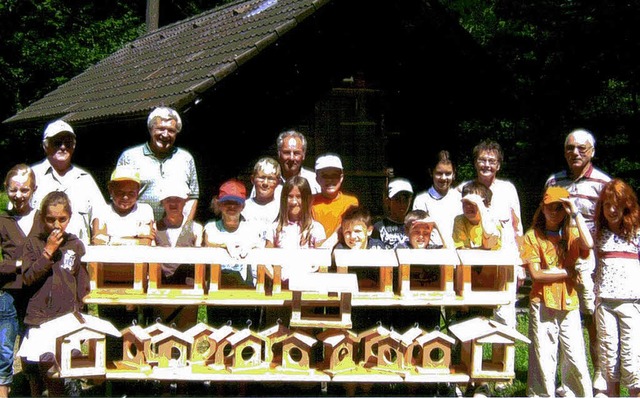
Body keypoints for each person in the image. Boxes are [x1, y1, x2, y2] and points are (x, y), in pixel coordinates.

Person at [545, 128, 611, 393]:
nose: (575, 152)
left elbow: (610, 227)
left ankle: (601, 382)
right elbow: (546, 219)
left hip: (592, 264)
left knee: (596, 325)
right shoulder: (554, 181)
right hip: (560, 264)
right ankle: (568, 384)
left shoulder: (603, 184)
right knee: (563, 324)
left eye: (581, 148)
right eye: (570, 148)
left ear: (592, 152)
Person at [522, 186, 593, 398]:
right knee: (543, 354)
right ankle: (541, 394)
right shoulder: (532, 236)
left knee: (575, 355)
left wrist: (576, 213)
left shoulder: (571, 234)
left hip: (569, 300)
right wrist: (567, 271)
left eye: (559, 208)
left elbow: (588, 244)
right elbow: (536, 275)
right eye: (550, 207)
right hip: (542, 301)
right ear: (542, 208)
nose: (554, 212)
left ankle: (575, 394)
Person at [18, 191, 89, 397]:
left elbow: (81, 280)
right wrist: (47, 252)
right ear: (42, 218)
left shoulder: (75, 245)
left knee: (66, 365)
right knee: (47, 368)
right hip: (40, 317)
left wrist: (80, 310)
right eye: (50, 219)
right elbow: (28, 277)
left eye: (62, 219)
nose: (56, 225)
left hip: (66, 316)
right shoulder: (33, 244)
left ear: (70, 217)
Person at [90, 166, 155, 329]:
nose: (125, 197)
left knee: (134, 330)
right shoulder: (101, 210)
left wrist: (112, 239)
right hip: (106, 282)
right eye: (120, 192)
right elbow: (98, 241)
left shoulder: (145, 210)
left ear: (138, 191)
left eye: (131, 193)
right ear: (110, 190)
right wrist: (134, 239)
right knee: (109, 329)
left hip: (137, 281)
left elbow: (146, 242)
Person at [592, 179, 640, 397]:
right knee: (609, 360)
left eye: (616, 204)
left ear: (626, 205)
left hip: (632, 304)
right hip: (605, 304)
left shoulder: (636, 233)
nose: (611, 210)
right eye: (606, 205)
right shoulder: (598, 234)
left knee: (632, 360)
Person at [117, 107, 200, 222]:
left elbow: (193, 196)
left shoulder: (186, 158)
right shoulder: (129, 157)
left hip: (175, 230)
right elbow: (118, 196)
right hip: (140, 229)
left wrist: (185, 228)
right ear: (151, 129)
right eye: (160, 129)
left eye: (171, 130)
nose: (165, 135)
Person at [31, 119, 106, 245]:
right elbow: (18, 219)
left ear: (74, 147)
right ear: (45, 146)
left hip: (79, 258)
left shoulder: (85, 179)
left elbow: (101, 217)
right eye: (57, 143)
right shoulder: (31, 177)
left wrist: (98, 246)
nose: (63, 147)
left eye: (68, 143)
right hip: (41, 258)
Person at [0, 164, 39, 397]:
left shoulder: (42, 218)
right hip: (8, 295)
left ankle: (34, 392)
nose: (19, 195)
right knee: (4, 351)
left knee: (33, 350)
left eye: (24, 190)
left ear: (34, 189)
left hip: (36, 295)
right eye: (13, 190)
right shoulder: (3, 220)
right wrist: (15, 265)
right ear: (6, 189)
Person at [203, 179, 263, 326]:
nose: (231, 206)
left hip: (245, 291)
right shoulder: (211, 227)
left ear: (242, 205)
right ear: (219, 204)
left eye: (236, 202)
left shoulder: (252, 228)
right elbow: (208, 241)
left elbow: (258, 246)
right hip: (218, 292)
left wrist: (249, 246)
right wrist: (225, 245)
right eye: (226, 202)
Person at [153, 179, 204, 330]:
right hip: (161, 291)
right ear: (162, 202)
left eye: (178, 200)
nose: (173, 204)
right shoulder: (154, 228)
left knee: (186, 336)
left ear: (185, 202)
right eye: (169, 200)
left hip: (188, 292)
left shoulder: (196, 229)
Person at [250, 130, 321, 199]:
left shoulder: (315, 181)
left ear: (303, 155)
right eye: (287, 152)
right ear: (279, 154)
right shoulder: (265, 184)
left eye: (296, 153)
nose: (291, 158)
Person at [412, 150, 462, 249]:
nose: (443, 178)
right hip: (431, 253)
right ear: (431, 172)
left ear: (454, 173)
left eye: (448, 174)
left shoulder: (460, 199)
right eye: (439, 173)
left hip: (457, 253)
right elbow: (417, 232)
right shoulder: (422, 200)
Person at [311, 153, 359, 247]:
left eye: (335, 175)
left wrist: (326, 246)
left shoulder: (351, 202)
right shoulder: (310, 201)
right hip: (315, 251)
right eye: (325, 176)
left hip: (341, 250)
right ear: (317, 178)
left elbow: (346, 228)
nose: (330, 180)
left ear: (341, 178)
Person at [242, 157, 282, 239]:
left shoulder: (282, 209)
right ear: (252, 179)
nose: (265, 183)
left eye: (271, 179)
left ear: (278, 182)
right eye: (261, 178)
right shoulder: (242, 207)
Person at [372, 178, 414, 249]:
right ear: (388, 201)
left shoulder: (415, 226)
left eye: (405, 199)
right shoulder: (378, 227)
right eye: (397, 199)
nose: (402, 204)